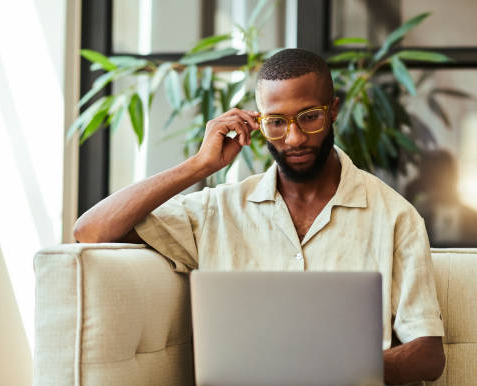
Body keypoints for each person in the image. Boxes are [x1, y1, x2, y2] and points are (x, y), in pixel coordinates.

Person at [74, 48, 445, 384]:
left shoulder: (396, 216)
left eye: (310, 117)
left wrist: (335, 367)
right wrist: (199, 166)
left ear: (333, 110)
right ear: (258, 123)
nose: (295, 137)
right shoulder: (217, 210)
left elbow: (428, 355)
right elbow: (91, 231)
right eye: (277, 122)